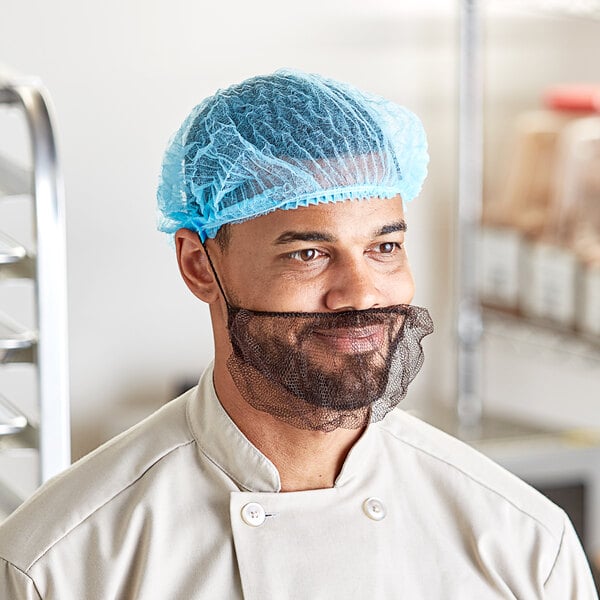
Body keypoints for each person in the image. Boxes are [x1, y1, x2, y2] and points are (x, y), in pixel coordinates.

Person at [0, 69, 596, 599]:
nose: (361, 294)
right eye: (309, 253)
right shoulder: (57, 563)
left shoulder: (524, 545)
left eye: (384, 248)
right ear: (199, 266)